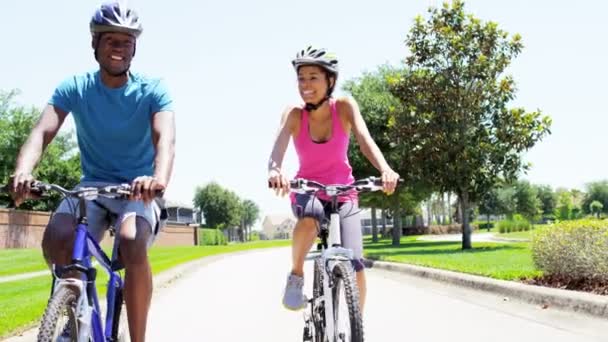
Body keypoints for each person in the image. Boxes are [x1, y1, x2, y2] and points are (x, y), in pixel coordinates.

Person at [9, 2, 175, 341]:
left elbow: (166, 140)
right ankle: (76, 308)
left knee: (131, 242)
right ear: (94, 44)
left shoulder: (153, 89)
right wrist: (24, 170)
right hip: (92, 188)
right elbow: (41, 132)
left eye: (126, 41)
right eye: (110, 40)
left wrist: (156, 179)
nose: (119, 48)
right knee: (57, 236)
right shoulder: (75, 87)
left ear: (135, 47)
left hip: (137, 190)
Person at [267, 45, 399, 312]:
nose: (305, 84)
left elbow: (365, 141)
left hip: (344, 191)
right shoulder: (294, 114)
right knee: (311, 215)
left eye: (313, 77)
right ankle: (296, 275)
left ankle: (355, 326)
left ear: (330, 81)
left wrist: (385, 169)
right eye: (301, 78)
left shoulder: (345, 108)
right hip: (308, 189)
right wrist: (275, 171)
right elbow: (277, 150)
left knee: (356, 264)